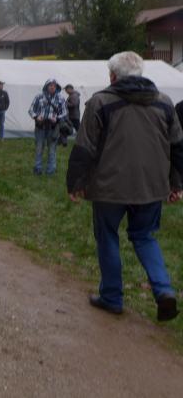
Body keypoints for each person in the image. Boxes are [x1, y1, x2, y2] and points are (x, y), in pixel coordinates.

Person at [67, 51, 183, 322]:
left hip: (109, 187)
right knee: (145, 236)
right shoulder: (165, 103)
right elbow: (178, 147)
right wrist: (176, 183)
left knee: (107, 237)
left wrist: (76, 183)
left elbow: (85, 146)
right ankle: (163, 289)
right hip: (151, 186)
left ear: (112, 76)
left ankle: (112, 297)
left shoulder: (100, 102)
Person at [28, 78, 67, 175]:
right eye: (50, 85)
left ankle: (51, 170)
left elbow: (64, 113)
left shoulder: (61, 98)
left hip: (52, 128)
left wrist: (57, 118)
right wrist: (36, 117)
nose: (52, 87)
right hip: (40, 127)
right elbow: (31, 110)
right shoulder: (39, 96)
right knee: (39, 149)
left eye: (54, 85)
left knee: (52, 150)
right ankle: (38, 169)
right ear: (46, 86)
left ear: (56, 87)